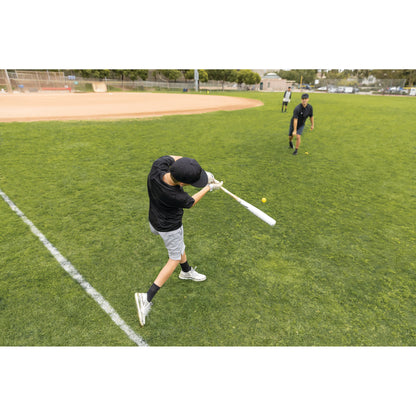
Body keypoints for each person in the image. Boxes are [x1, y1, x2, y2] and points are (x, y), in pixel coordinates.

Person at [135, 155, 222, 326]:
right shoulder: (176, 196)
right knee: (174, 258)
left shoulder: (158, 167)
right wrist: (209, 187)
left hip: (154, 219)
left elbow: (176, 157)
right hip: (170, 228)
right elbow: (190, 202)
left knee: (179, 247)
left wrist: (199, 172)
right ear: (182, 184)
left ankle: (186, 271)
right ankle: (147, 297)